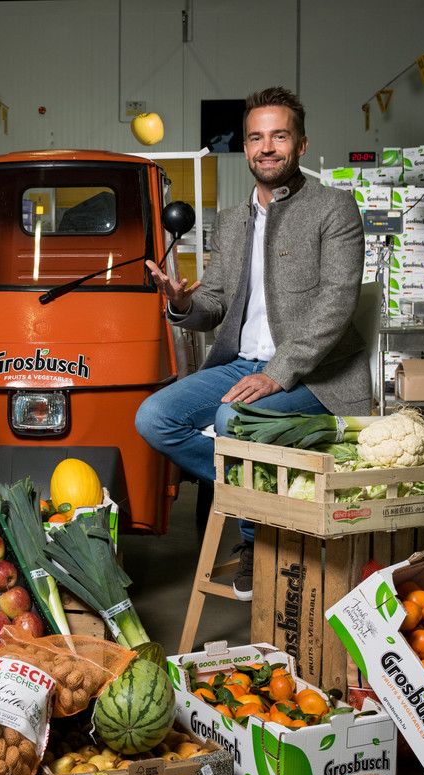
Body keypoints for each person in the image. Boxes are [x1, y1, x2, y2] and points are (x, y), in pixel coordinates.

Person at [135, 86, 369, 601]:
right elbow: (213, 303)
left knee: (228, 421)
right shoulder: (233, 220)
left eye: (279, 136)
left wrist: (276, 374)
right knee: (153, 417)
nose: (267, 147)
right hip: (241, 363)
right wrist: (180, 304)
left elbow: (336, 305)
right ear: (244, 148)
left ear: (301, 144)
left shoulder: (334, 208)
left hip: (316, 375)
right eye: (256, 137)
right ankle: (264, 504)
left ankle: (252, 544)